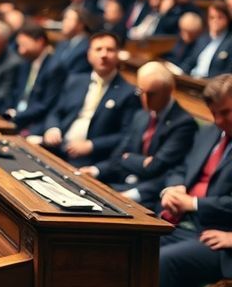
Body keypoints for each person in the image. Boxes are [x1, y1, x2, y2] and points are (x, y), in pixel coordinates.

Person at [80, 62, 196, 210]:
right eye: (141, 92)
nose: (145, 100)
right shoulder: (141, 115)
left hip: (148, 197)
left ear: (169, 90)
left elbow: (157, 167)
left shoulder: (184, 124)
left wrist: (128, 158)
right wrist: (96, 170)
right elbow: (119, 155)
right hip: (121, 185)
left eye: (152, 94)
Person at [159, 74, 232, 287]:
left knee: (161, 260)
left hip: (218, 236)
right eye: (214, 113)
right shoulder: (211, 131)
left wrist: (193, 203)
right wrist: (175, 188)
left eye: (226, 113)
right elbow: (182, 167)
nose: (218, 120)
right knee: (131, 244)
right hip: (183, 222)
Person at [36, 32, 139, 167]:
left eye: (110, 50)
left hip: (90, 160)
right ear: (89, 55)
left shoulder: (128, 92)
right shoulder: (75, 80)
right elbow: (55, 111)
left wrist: (92, 145)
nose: (104, 55)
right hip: (57, 148)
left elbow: (126, 135)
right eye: (98, 49)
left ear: (118, 54)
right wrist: (52, 128)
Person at [4, 23, 66, 136]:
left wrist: (17, 115)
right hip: (17, 117)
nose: (21, 50)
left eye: (24, 45)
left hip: (35, 123)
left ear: (40, 41)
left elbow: (45, 105)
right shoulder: (26, 62)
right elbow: (16, 91)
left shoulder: (54, 67)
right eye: (19, 45)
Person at [181, 2, 232, 79]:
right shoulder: (202, 38)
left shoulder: (230, 42)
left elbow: (227, 73)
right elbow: (189, 61)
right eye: (212, 17)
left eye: (220, 17)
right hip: (192, 80)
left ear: (227, 19)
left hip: (210, 85)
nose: (215, 21)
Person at [50, 6, 92, 75]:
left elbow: (74, 77)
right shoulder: (62, 43)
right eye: (64, 19)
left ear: (81, 24)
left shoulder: (86, 47)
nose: (64, 23)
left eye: (68, 19)